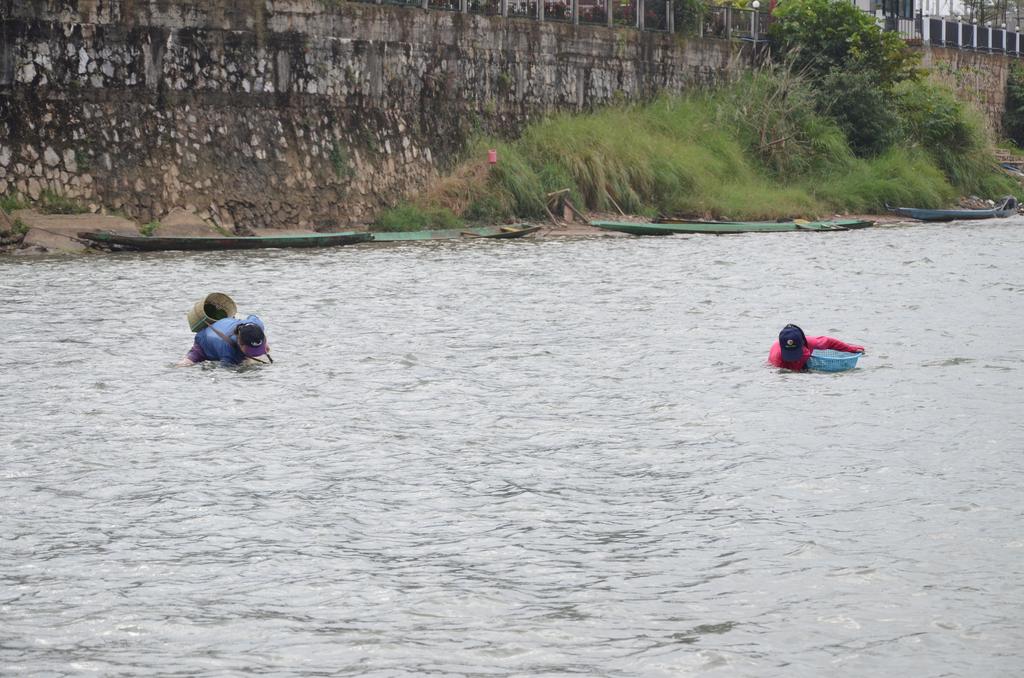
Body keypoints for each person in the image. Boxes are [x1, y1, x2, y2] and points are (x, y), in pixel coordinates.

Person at [178, 314, 272, 366]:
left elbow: (253, 316)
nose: (258, 352)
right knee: (186, 364)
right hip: (204, 342)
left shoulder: (256, 324)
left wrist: (265, 344)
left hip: (224, 324)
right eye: (251, 351)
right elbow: (225, 371)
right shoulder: (228, 352)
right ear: (240, 343)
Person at [768, 323, 864, 371]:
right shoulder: (777, 358)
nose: (793, 359)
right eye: (790, 354)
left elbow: (830, 342)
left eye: (796, 352)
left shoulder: (811, 343)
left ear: (803, 344)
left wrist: (851, 349)